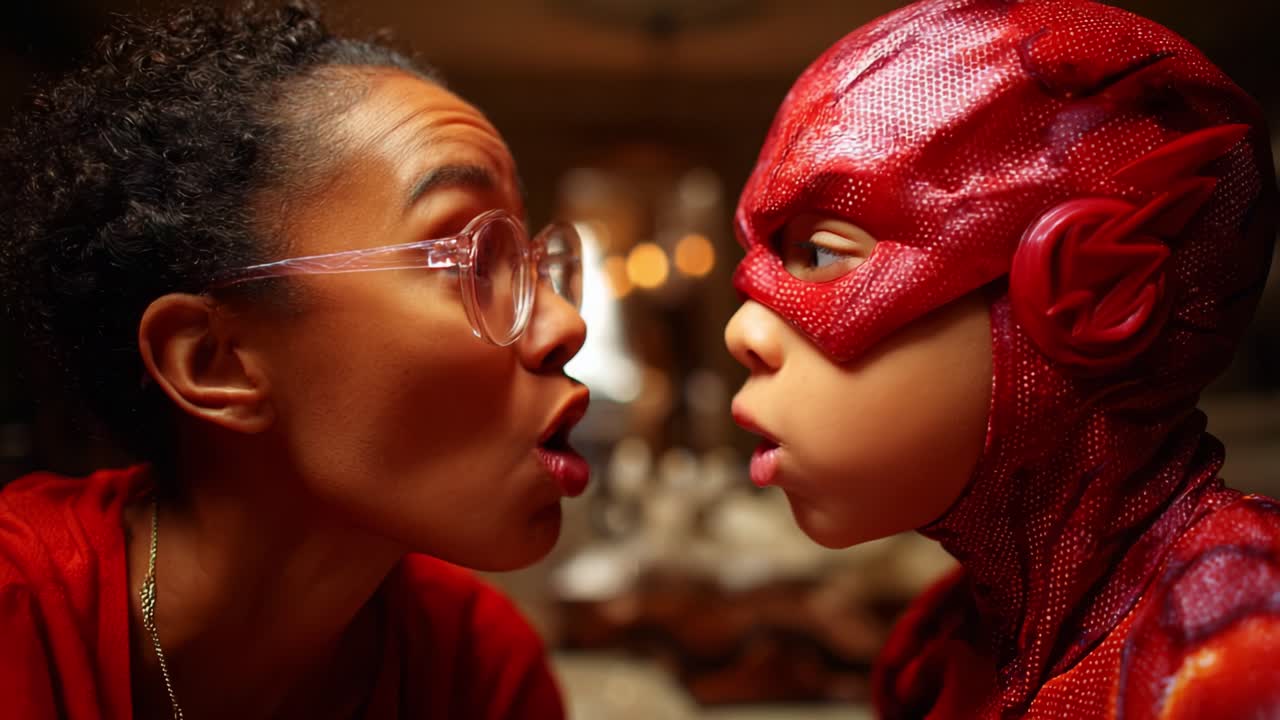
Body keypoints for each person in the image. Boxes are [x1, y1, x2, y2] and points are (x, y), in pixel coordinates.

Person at [0, 3, 589, 718]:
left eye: (531, 259)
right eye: (472, 258)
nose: (564, 323)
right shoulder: (19, 614)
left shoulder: (482, 669)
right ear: (216, 361)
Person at [724, 0, 1280, 717]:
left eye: (822, 252)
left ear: (1097, 290)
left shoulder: (1239, 629)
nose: (745, 330)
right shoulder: (933, 654)